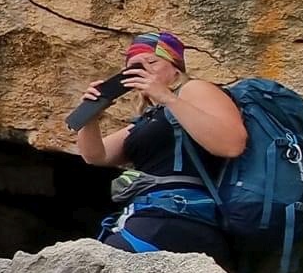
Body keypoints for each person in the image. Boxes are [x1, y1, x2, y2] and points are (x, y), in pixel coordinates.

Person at [74, 31, 246, 260]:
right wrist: (91, 115)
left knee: (97, 266)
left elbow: (231, 144)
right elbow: (96, 155)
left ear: (176, 69)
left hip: (181, 214)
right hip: (153, 215)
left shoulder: (194, 89)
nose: (143, 68)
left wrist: (167, 97)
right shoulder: (150, 117)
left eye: (152, 62)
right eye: (134, 66)